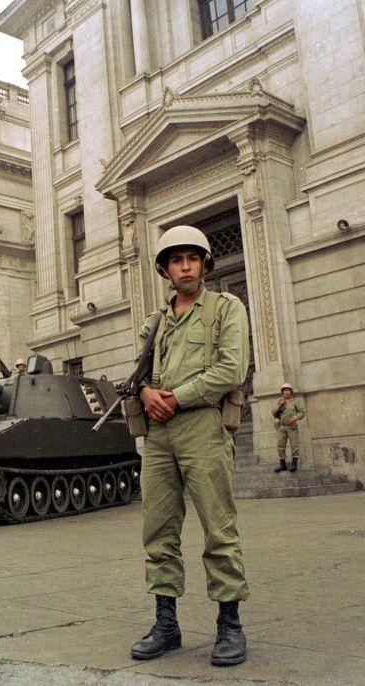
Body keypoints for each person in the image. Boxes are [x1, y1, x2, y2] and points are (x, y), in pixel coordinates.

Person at [130, 225, 250, 667]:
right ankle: (166, 624)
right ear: (165, 268)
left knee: (219, 528)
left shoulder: (225, 309)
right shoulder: (154, 322)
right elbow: (139, 373)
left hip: (202, 426)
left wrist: (177, 397)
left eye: (193, 258)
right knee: (158, 531)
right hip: (158, 436)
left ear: (204, 264)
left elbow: (231, 369)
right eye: (177, 259)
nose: (185, 265)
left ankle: (230, 625)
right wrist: (145, 393)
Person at [272, 383, 305, 473]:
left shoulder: (295, 401)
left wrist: (294, 418)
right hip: (282, 427)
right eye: (284, 390)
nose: (286, 392)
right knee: (280, 445)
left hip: (291, 427)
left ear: (291, 391)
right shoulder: (280, 401)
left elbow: (302, 412)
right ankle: (283, 464)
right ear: (282, 392)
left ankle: (294, 464)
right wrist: (280, 405)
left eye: (288, 390)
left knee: (294, 445)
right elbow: (274, 413)